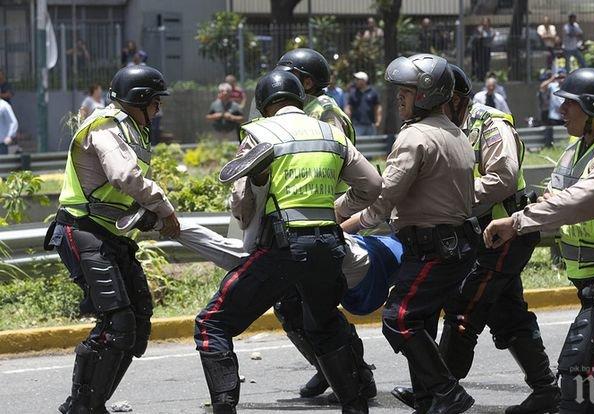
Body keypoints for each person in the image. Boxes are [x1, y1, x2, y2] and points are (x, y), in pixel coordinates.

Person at [194, 70, 382, 414]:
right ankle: (356, 406)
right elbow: (372, 185)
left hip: (282, 248)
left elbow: (242, 206)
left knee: (212, 322)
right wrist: (335, 208)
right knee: (324, 325)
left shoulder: (260, 132)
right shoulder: (330, 132)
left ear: (265, 104)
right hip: (328, 245)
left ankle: (223, 407)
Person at [483, 68, 594, 412]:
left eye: (570, 104)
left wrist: (517, 222)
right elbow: (553, 199)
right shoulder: (577, 151)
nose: (561, 110)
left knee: (579, 369)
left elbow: (577, 202)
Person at [390, 63, 560, 414]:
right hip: (477, 234)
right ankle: (545, 387)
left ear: (452, 99)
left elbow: (504, 178)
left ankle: (441, 390)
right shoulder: (446, 126)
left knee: (464, 305)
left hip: (505, 231)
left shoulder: (491, 124)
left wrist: (453, 195)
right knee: (505, 309)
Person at [341, 53, 479, 414]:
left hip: (434, 249)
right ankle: (427, 396)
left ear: (426, 95)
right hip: (454, 246)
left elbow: (381, 203)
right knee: (422, 320)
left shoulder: (415, 137)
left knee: (398, 318)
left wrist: (341, 226)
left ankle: (447, 393)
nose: (398, 96)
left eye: (406, 90)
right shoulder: (454, 132)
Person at [46, 65, 180, 414]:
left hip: (109, 233)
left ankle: (92, 403)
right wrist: (165, 210)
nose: (158, 110)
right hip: (82, 230)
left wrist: (147, 214)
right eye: (154, 103)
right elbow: (124, 176)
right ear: (139, 101)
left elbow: (120, 192)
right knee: (117, 323)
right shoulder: (106, 127)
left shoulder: (130, 129)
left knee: (137, 322)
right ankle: (82, 405)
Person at [269, 48, 374, 402]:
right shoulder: (301, 112)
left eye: (289, 76)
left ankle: (354, 376)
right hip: (298, 222)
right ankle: (330, 369)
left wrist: (338, 214)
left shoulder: (325, 113)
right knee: (298, 305)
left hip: (325, 219)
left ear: (307, 82)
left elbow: (329, 169)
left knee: (313, 308)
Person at [345, 71, 381, 137]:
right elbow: (348, 108)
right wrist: (348, 123)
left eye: (358, 79)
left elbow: (377, 108)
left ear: (364, 81)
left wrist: (378, 121)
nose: (356, 81)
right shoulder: (353, 93)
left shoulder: (373, 92)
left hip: (371, 125)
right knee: (358, 145)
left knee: (371, 145)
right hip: (357, 126)